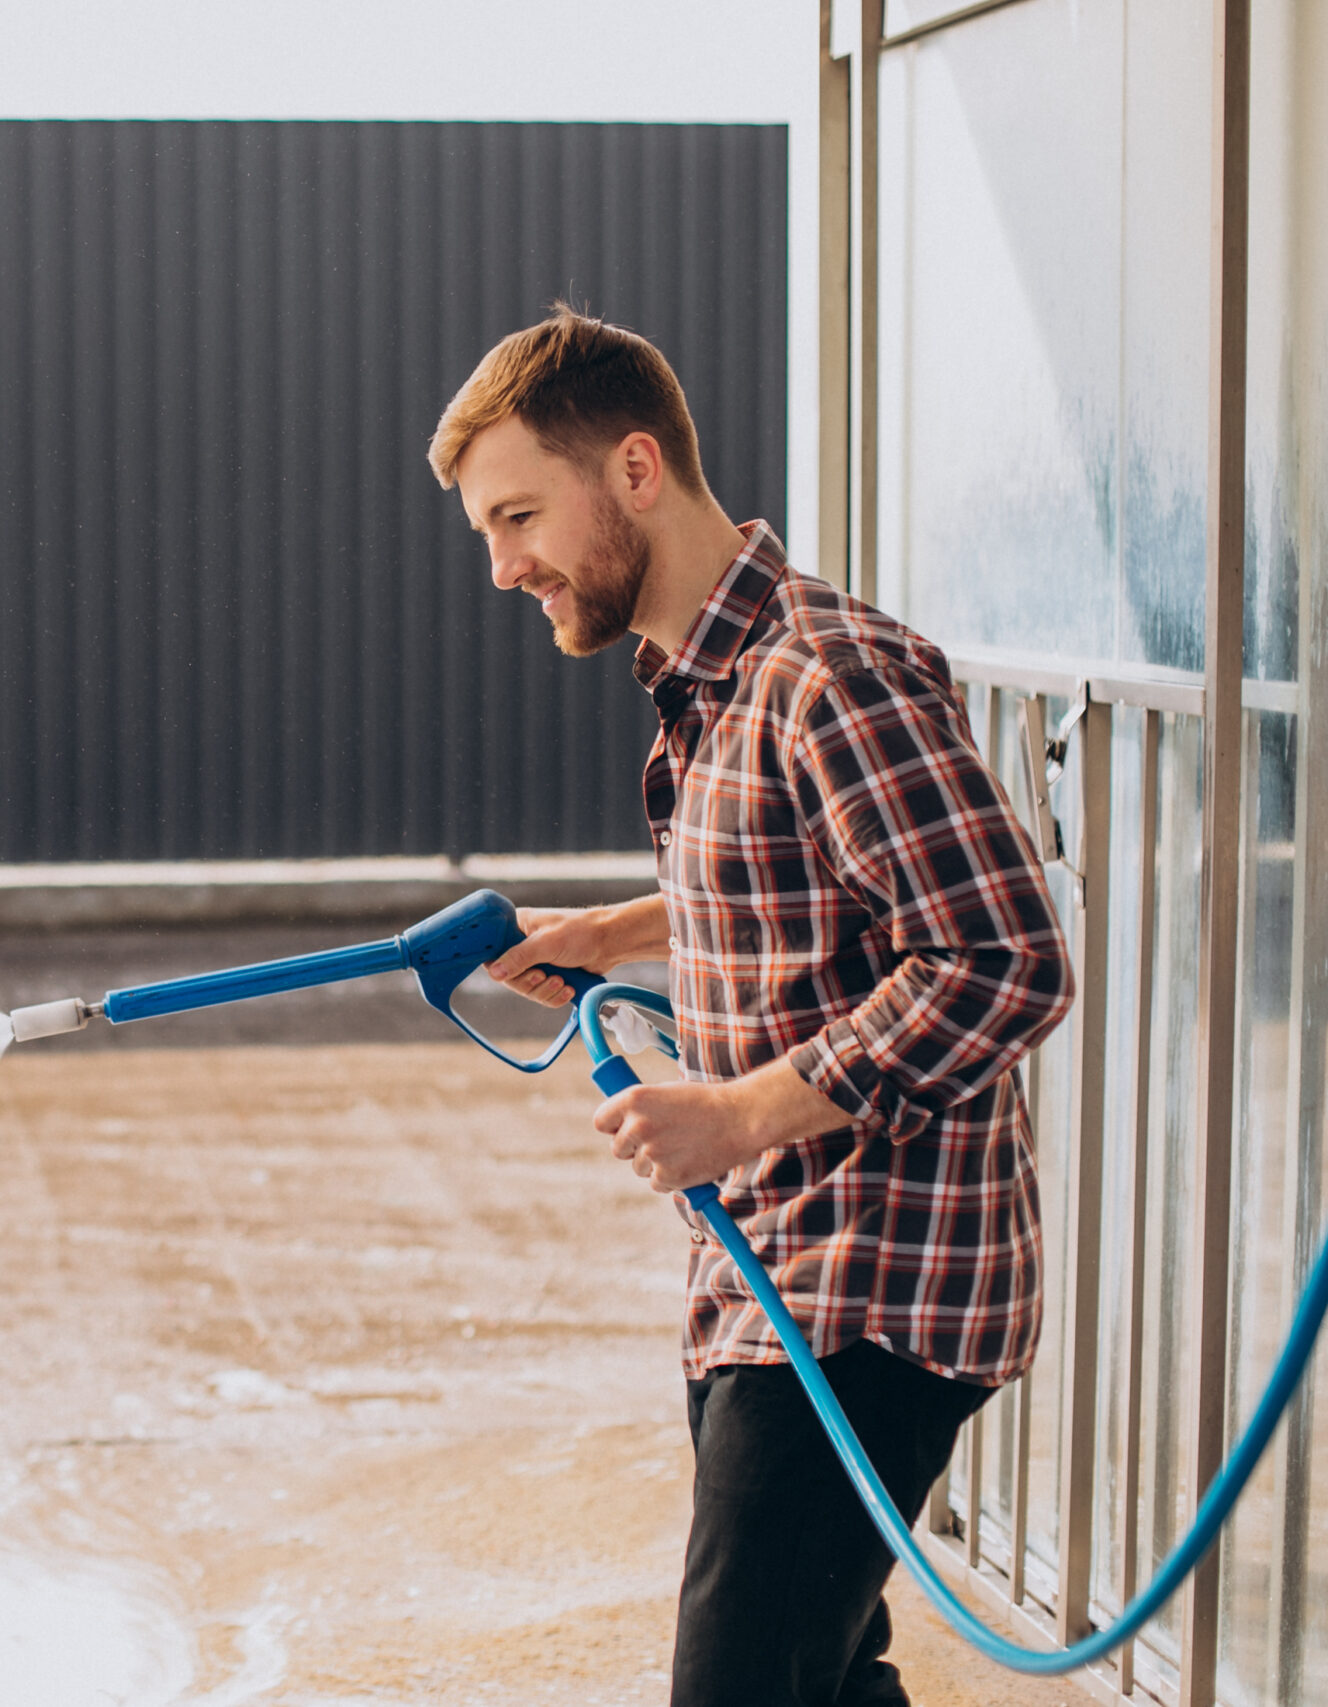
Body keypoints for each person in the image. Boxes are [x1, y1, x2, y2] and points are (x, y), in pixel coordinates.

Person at [431, 306, 1072, 1707]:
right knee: (823, 1677)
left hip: (878, 1283)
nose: (503, 566)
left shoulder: (828, 673)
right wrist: (619, 926)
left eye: (521, 515)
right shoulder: (712, 687)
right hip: (769, 1272)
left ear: (638, 471)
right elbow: (818, 865)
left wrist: (737, 1113)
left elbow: (1002, 957)